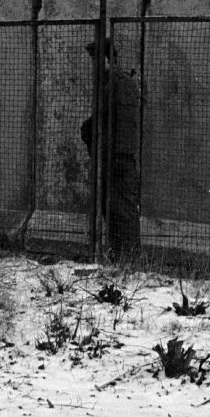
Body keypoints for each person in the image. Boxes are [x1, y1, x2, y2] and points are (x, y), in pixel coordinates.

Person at [81, 38, 141, 256]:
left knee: (123, 212)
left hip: (118, 158)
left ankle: (129, 260)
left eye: (97, 59)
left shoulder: (118, 83)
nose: (95, 65)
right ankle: (121, 257)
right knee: (115, 211)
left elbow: (115, 123)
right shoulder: (113, 83)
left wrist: (90, 132)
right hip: (114, 157)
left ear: (108, 59)